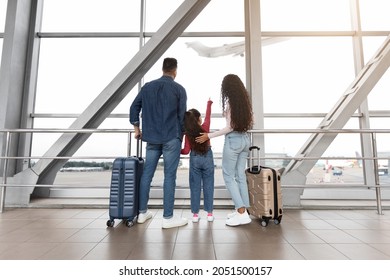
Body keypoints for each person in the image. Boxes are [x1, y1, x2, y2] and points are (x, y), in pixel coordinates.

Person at [129, 57, 188, 229]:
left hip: (152, 138)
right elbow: (182, 117)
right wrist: (181, 137)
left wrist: (136, 128)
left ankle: (142, 213)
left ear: (162, 69)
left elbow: (134, 107)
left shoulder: (147, 87)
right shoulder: (179, 89)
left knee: (147, 174)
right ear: (175, 71)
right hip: (171, 137)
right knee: (169, 176)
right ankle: (168, 218)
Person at [196, 74, 253, 226]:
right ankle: (243, 210)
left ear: (227, 88)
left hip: (233, 140)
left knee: (228, 176)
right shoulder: (244, 103)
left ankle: (241, 212)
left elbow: (231, 126)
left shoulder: (232, 103)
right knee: (240, 176)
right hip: (245, 139)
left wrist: (209, 135)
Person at [181, 99, 215, 223]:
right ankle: (210, 214)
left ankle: (195, 215)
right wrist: (209, 104)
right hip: (208, 157)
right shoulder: (205, 127)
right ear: (199, 119)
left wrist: (176, 151)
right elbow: (208, 117)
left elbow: (185, 151)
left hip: (195, 159)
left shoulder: (188, 134)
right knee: (209, 185)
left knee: (195, 187)